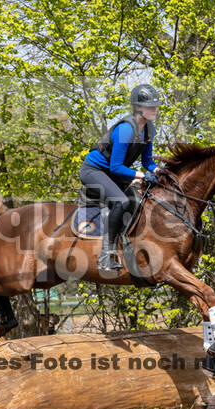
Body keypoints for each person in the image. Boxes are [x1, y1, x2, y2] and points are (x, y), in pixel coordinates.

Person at [80, 84, 163, 271]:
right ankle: (105, 256)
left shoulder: (149, 129)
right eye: (151, 106)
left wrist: (158, 171)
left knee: (141, 199)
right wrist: (142, 175)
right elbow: (116, 167)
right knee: (121, 201)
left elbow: (147, 160)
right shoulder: (126, 130)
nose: (155, 109)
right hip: (94, 171)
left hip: (111, 172)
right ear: (138, 108)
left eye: (155, 106)